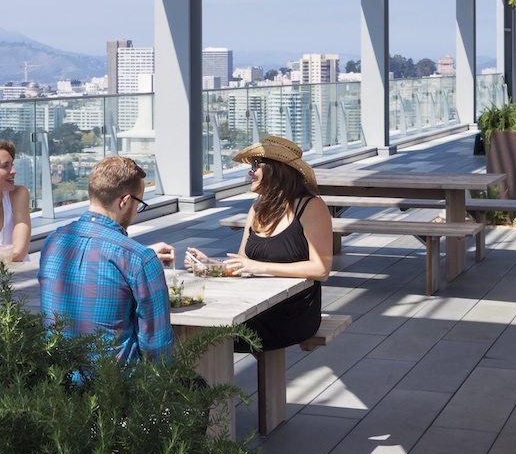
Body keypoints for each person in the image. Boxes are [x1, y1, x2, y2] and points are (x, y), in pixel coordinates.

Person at [187, 136, 332, 353]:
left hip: (293, 312)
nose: (250, 171)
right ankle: (205, 384)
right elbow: (243, 263)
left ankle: (208, 384)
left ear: (277, 169)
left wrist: (260, 267)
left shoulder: (311, 206)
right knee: (195, 328)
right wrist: (210, 264)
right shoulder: (257, 208)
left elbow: (321, 269)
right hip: (254, 302)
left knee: (208, 335)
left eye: (256, 165)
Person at [39, 155, 176, 365]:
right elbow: (156, 346)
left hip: (59, 380)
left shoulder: (53, 242)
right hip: (116, 387)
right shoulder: (140, 260)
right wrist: (146, 262)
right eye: (139, 203)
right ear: (125, 201)